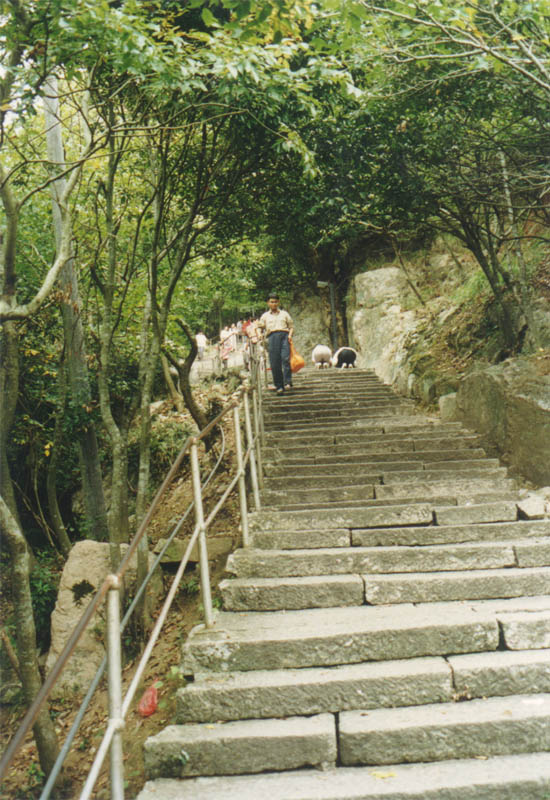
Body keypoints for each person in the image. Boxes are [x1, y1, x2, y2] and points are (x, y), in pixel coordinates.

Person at [258, 293, 294, 395]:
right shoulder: (265, 316)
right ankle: (279, 386)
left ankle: (287, 382)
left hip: (284, 336)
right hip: (272, 337)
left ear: (278, 302)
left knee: (285, 358)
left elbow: (291, 326)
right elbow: (259, 327)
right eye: (272, 302)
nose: (274, 304)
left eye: (275, 302)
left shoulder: (284, 314)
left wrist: (290, 335)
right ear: (268, 303)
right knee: (274, 362)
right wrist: (259, 334)